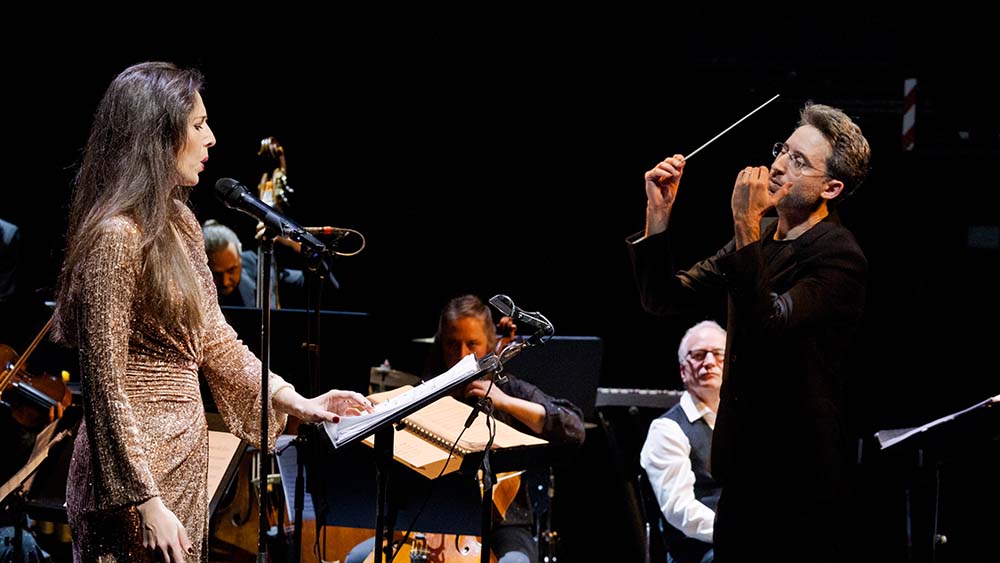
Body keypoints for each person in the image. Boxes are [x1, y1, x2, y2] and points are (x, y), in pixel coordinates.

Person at [51, 62, 372, 563]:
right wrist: (145, 500)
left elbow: (216, 340)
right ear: (158, 134)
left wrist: (296, 400)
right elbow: (104, 385)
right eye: (198, 124)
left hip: (181, 457)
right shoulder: (115, 237)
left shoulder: (180, 223)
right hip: (132, 481)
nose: (212, 137)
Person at [628, 103, 870, 562]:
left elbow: (768, 324)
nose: (778, 166)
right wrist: (657, 214)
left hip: (798, 482)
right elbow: (663, 297)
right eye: (783, 150)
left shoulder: (838, 254)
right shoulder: (763, 235)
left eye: (799, 162)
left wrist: (744, 223)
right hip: (742, 473)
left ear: (831, 188)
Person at [347, 295, 586, 563]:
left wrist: (506, 402)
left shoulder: (509, 389)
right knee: (357, 558)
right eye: (452, 344)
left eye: (472, 344)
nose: (462, 355)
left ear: (490, 345)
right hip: (430, 518)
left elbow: (573, 427)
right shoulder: (427, 392)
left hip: (503, 524)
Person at [640, 320, 725, 563]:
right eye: (698, 355)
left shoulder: (744, 424)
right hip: (700, 552)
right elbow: (679, 509)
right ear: (683, 370)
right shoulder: (667, 430)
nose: (709, 362)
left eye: (718, 354)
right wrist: (733, 533)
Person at [201, 219, 314, 308]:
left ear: (240, 255)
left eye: (232, 270)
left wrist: (297, 245)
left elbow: (312, 281)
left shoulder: (256, 265)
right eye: (215, 274)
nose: (225, 282)